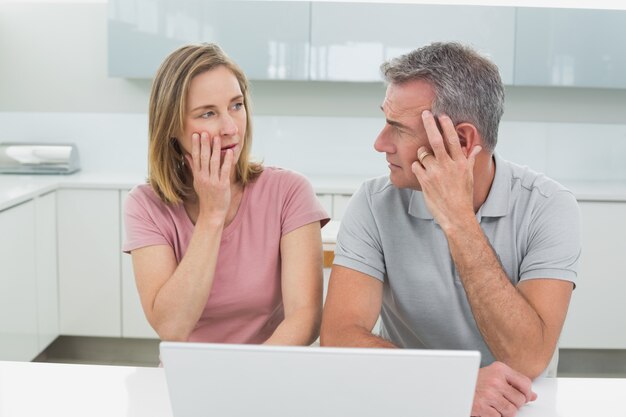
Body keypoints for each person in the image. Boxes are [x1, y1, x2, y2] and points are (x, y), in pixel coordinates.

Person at [320, 42, 580, 417]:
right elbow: (339, 337)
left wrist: (458, 220)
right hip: (407, 398)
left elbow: (527, 357)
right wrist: (449, 383)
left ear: (460, 141)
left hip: (516, 408)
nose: (380, 143)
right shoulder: (375, 202)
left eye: (397, 129)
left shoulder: (548, 207)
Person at [123, 43, 329, 346]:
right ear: (171, 126)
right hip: (188, 375)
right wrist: (212, 215)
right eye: (207, 113)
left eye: (236, 105)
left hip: (267, 371)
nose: (231, 127)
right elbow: (172, 327)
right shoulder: (145, 206)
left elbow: (305, 318)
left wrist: (238, 377)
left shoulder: (289, 192)